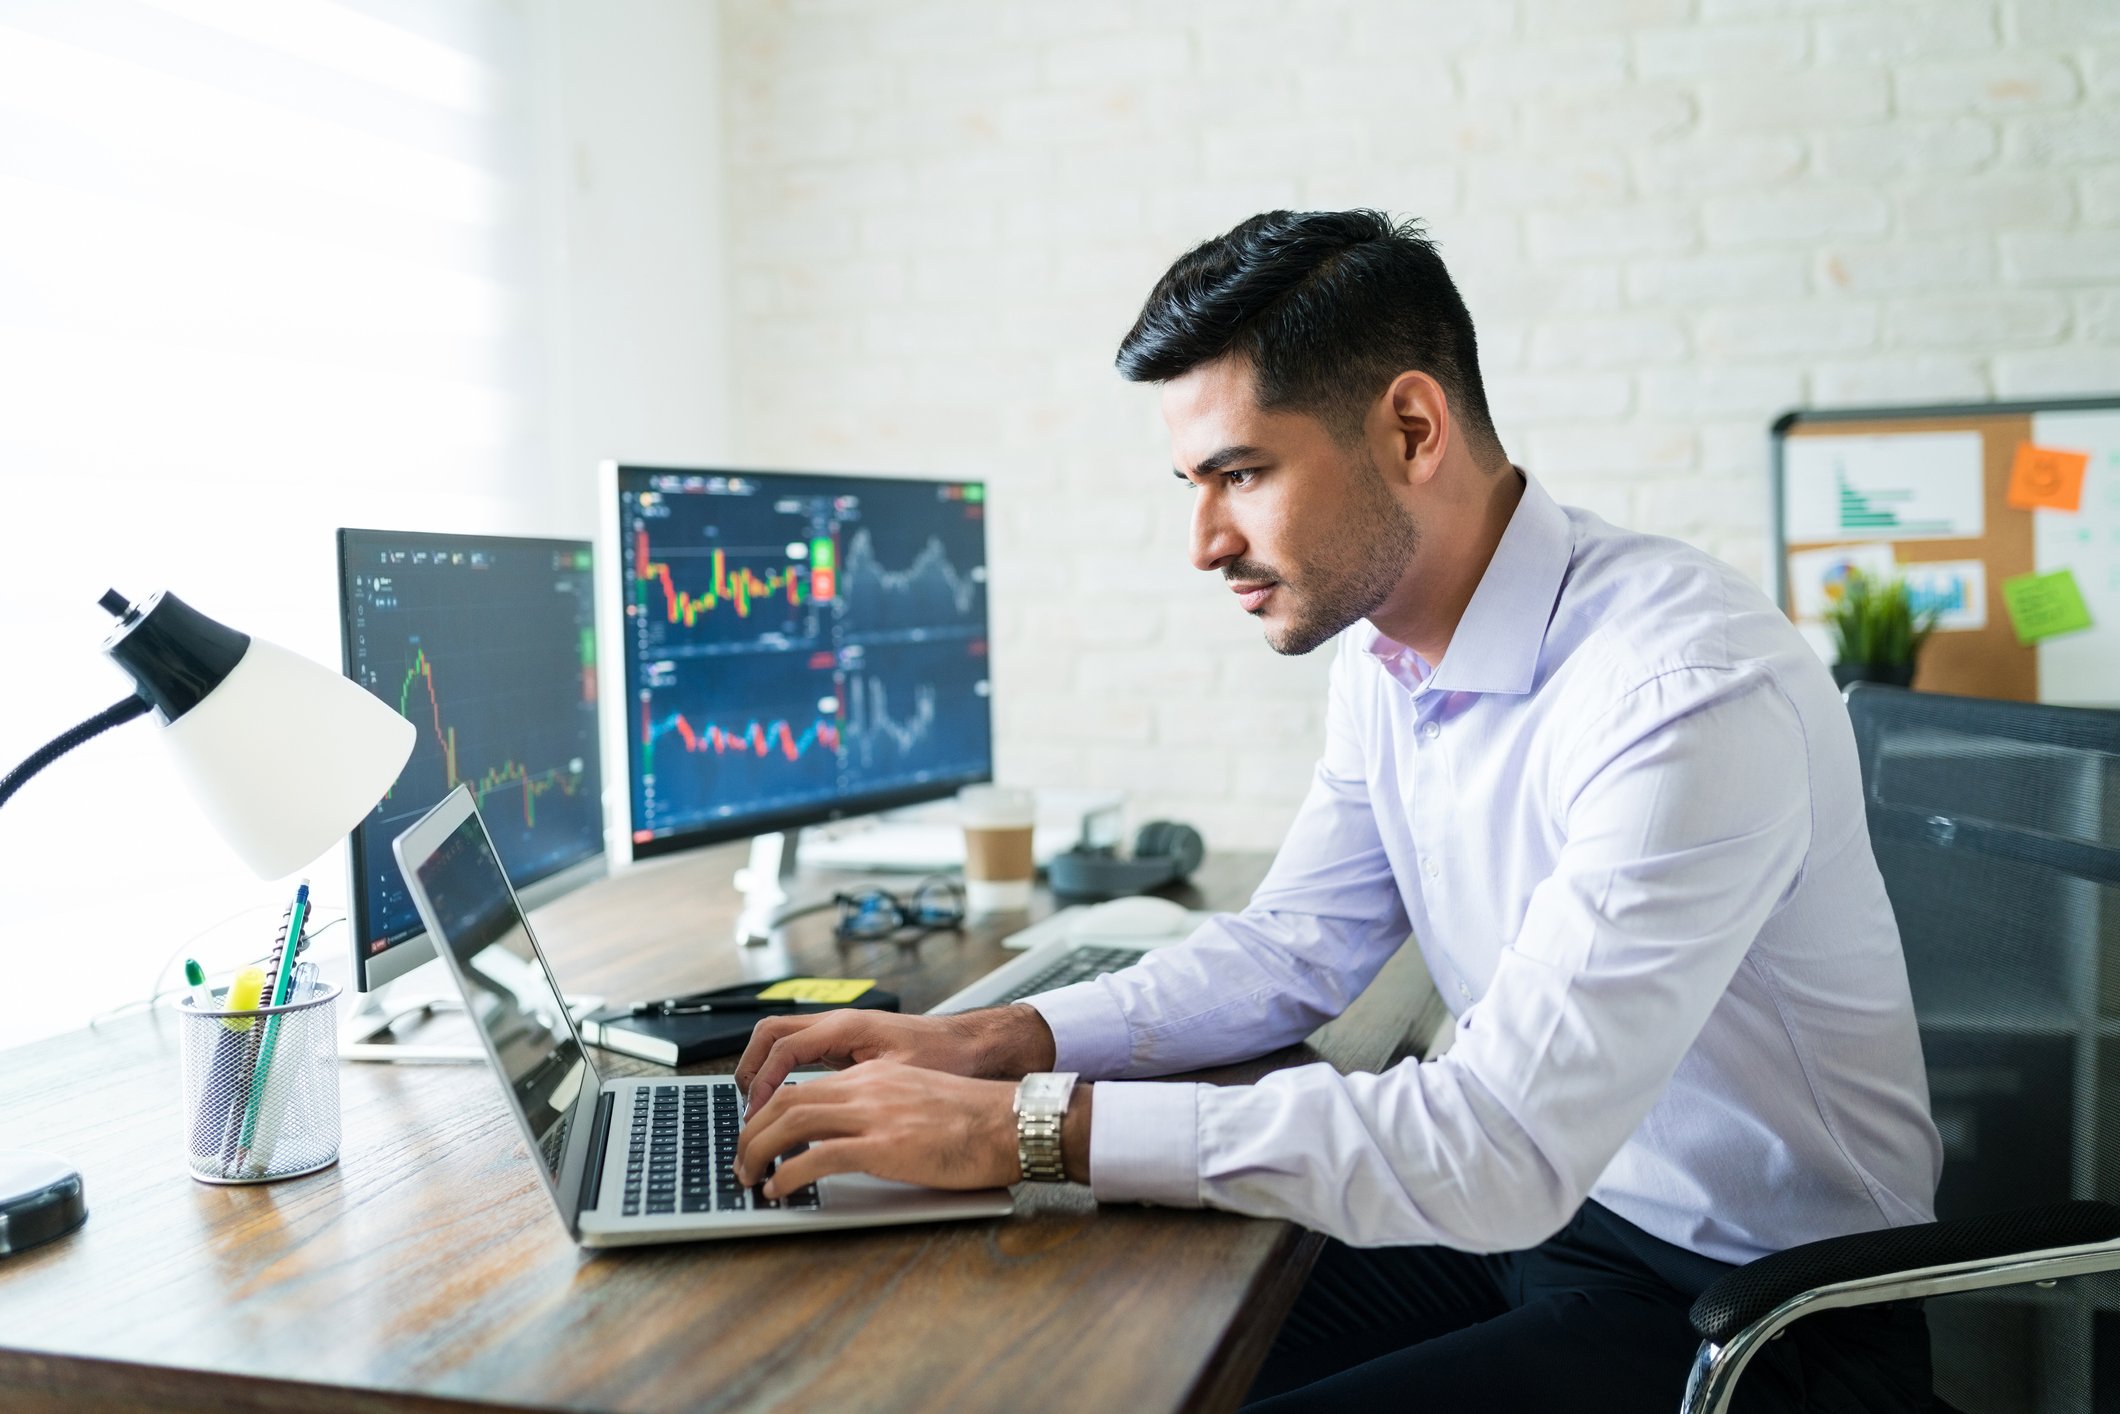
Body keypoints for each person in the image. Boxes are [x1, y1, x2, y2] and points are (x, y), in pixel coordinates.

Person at [732, 209, 1942, 1411]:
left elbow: (1496, 1146)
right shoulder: (1388, 655)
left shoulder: (1679, 691)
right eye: (1189, 483)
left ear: (1410, 428)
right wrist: (993, 1042)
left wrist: (1024, 1129)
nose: (1203, 541)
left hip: (1759, 1319)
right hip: (1546, 1230)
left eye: (1241, 474)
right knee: (1073, 1343)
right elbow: (1295, 948)